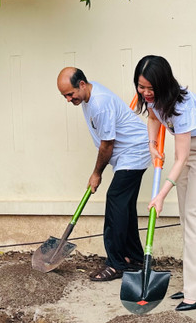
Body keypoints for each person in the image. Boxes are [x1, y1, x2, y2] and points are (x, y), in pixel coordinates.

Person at [133, 55, 196, 311]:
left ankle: (195, 293)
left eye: (151, 88)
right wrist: (152, 145)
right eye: (141, 87)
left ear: (164, 83)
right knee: (189, 217)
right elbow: (153, 119)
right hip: (187, 151)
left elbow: (181, 157)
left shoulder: (182, 105)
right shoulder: (152, 99)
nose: (146, 93)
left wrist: (161, 195)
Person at [57, 67, 151, 281]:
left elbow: (107, 144)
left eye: (70, 94)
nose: (68, 99)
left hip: (133, 152)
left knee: (115, 201)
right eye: (65, 96)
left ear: (82, 84)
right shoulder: (88, 96)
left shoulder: (99, 103)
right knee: (124, 206)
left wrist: (96, 173)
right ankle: (133, 257)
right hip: (130, 153)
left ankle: (116, 264)